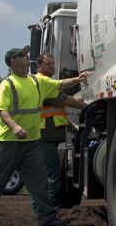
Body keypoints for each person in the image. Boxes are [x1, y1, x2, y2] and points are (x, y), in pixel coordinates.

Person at [0, 45, 86, 226]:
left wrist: (78, 78)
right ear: (13, 62)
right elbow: (1, 110)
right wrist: (15, 126)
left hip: (32, 141)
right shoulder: (7, 84)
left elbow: (60, 85)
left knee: (39, 181)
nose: (28, 57)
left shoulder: (36, 82)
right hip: (10, 141)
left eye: (26, 55)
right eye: (23, 56)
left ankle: (47, 219)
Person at [34, 53, 86, 210]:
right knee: (52, 173)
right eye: (48, 63)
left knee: (48, 173)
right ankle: (48, 208)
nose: (52, 66)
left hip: (50, 135)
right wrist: (79, 80)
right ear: (39, 67)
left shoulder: (47, 85)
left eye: (53, 63)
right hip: (44, 136)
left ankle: (41, 207)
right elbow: (64, 94)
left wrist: (72, 127)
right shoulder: (42, 81)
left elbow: (60, 109)